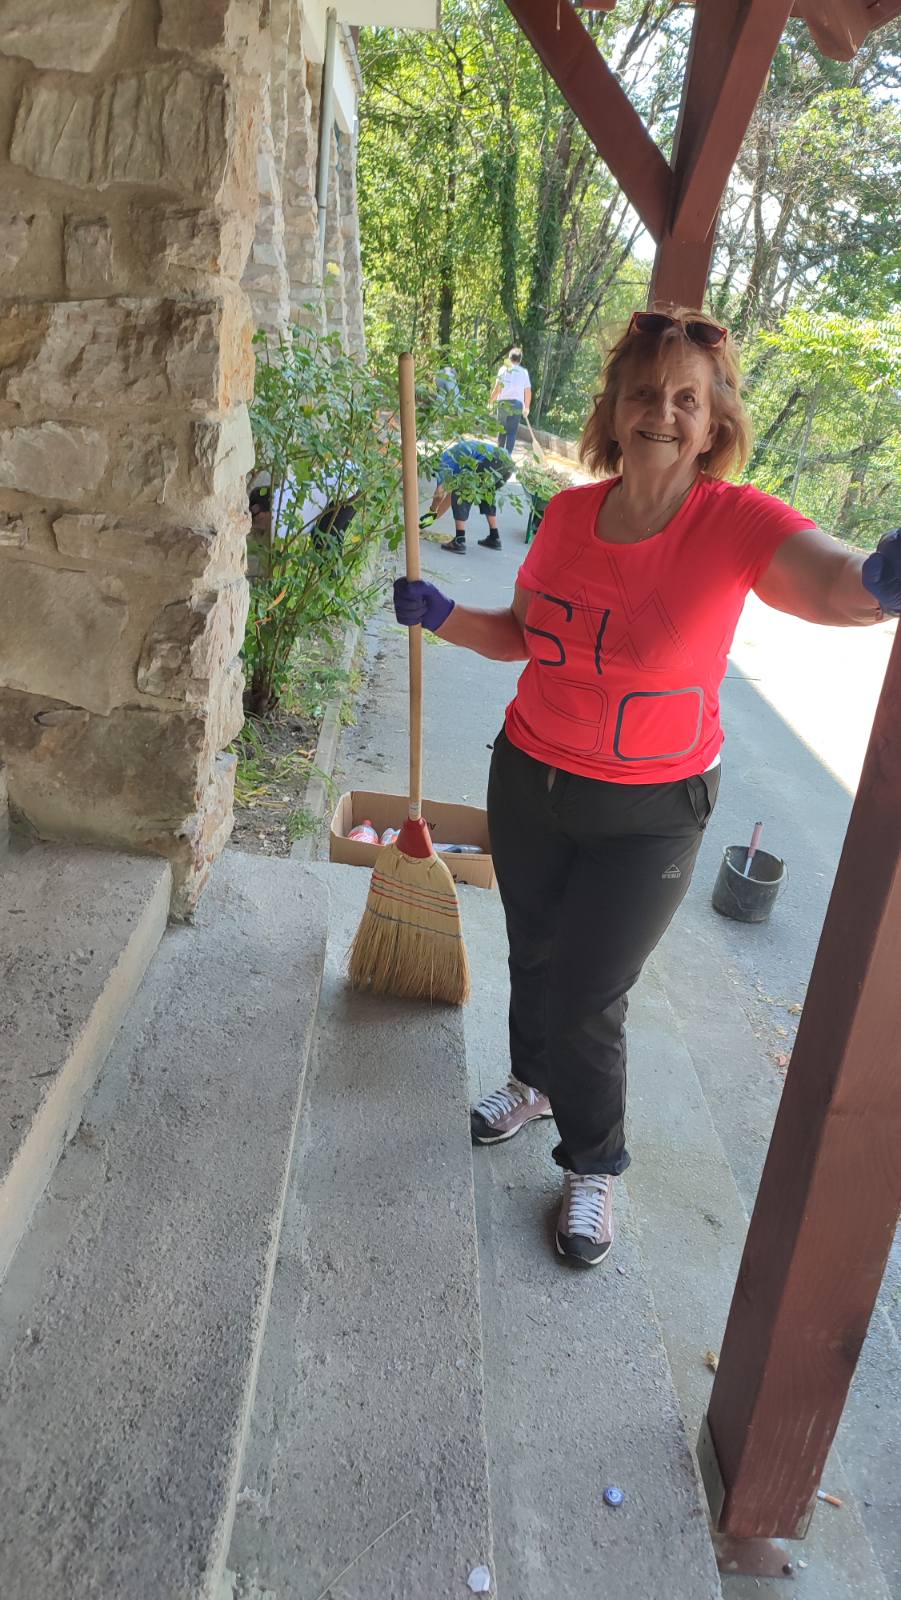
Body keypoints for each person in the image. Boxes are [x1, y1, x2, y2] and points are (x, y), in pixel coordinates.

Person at [393, 306, 901, 1268]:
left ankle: (593, 1163)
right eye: (642, 393)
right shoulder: (568, 516)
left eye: (684, 399)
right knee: (534, 953)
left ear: (713, 424)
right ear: (614, 409)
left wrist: (879, 580)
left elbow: (830, 583)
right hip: (530, 772)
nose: (660, 412)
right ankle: (533, 1081)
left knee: (590, 990)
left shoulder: (736, 522)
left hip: (650, 810)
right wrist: (445, 613)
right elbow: (522, 636)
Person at [418, 438, 513, 555]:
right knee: (485, 492)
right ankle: (494, 537)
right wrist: (434, 517)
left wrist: (432, 511)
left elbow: (440, 493)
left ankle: (459, 540)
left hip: (491, 460)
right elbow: (449, 497)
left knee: (462, 492)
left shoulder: (443, 461)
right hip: (507, 463)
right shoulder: (455, 460)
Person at [491, 347, 532, 454]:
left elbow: (497, 389)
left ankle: (498, 456)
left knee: (502, 430)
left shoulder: (503, 369)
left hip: (502, 403)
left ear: (509, 358)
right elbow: (528, 391)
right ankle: (507, 456)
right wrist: (527, 407)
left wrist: (490, 402)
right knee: (512, 433)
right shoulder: (524, 372)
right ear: (520, 360)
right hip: (517, 405)